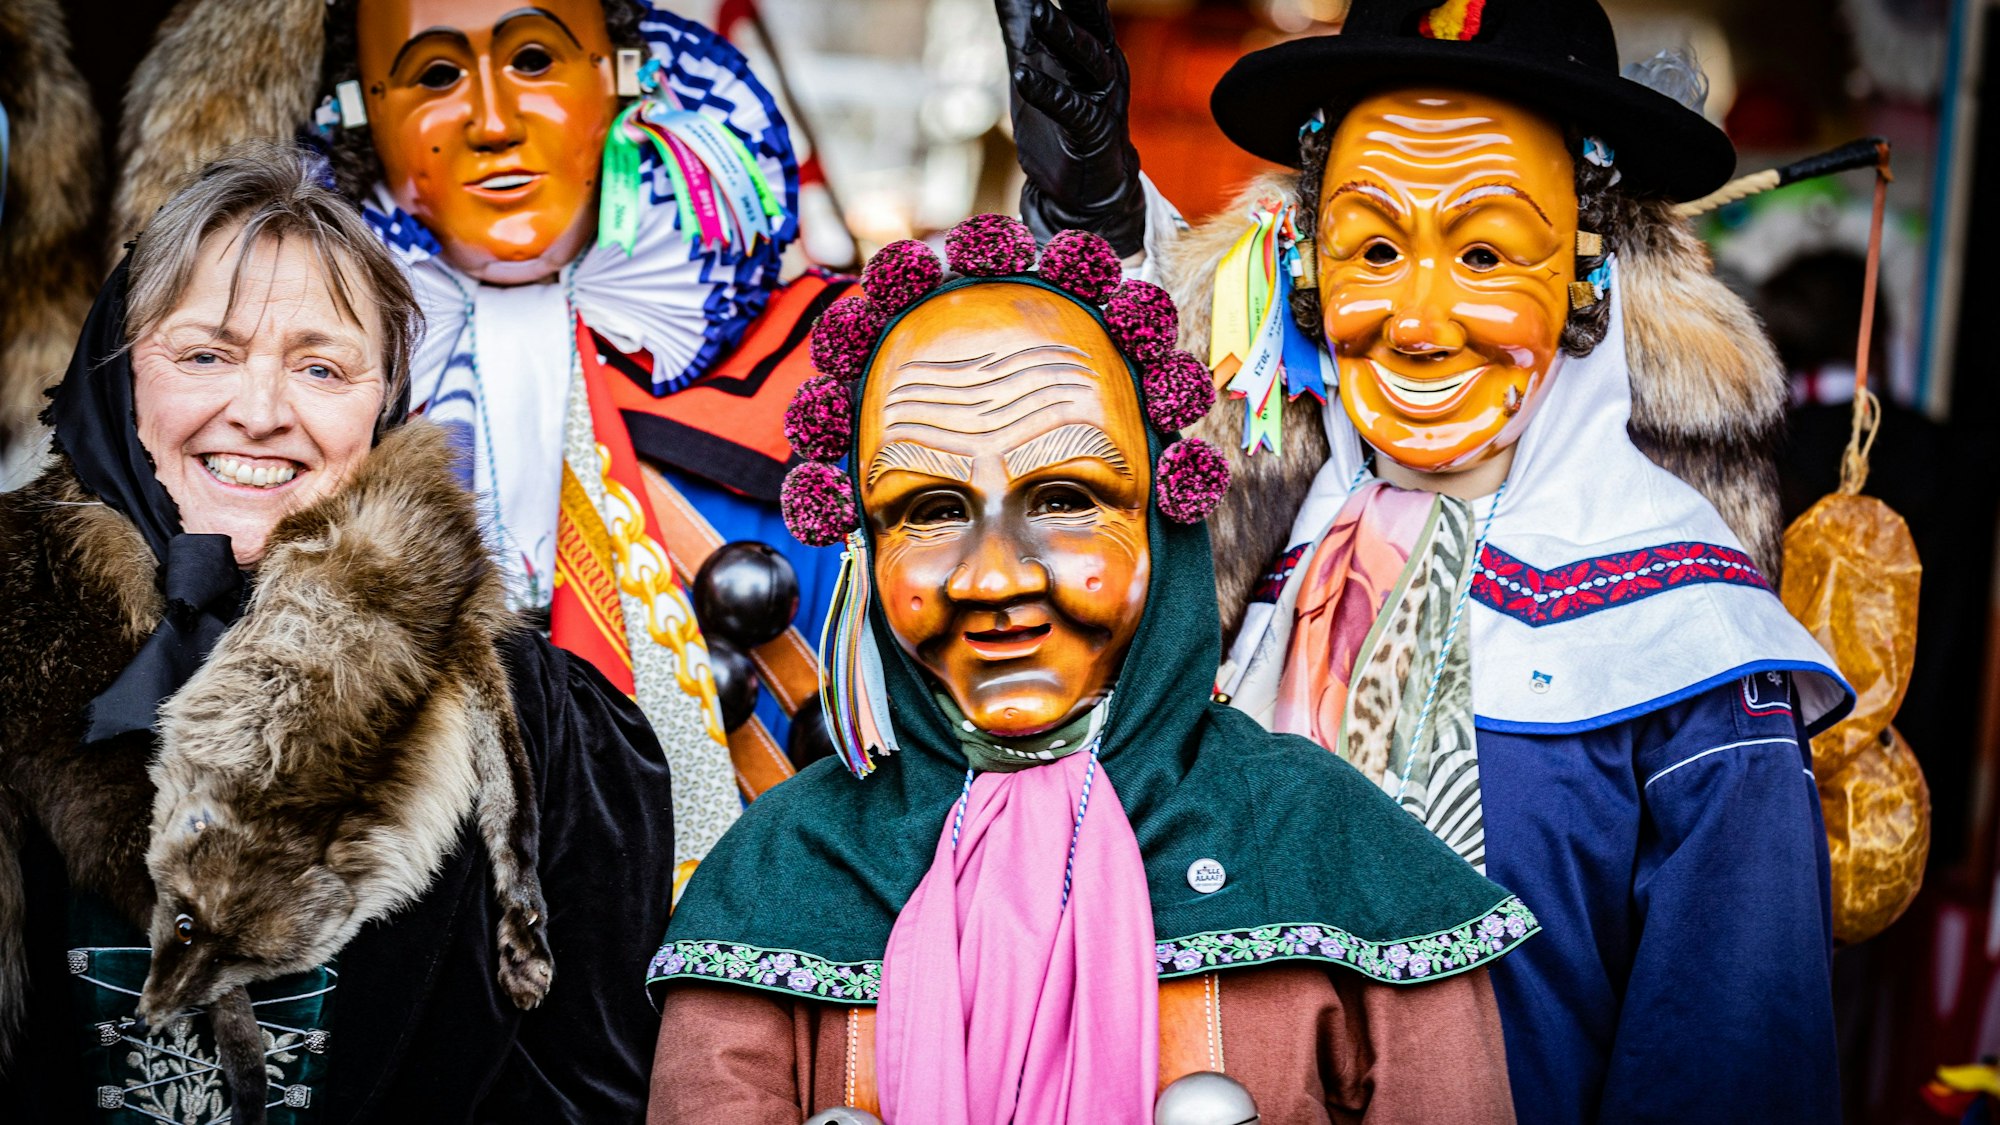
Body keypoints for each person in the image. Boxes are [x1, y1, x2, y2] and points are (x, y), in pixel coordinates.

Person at [998, 0, 1855, 1120]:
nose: (1414, 318)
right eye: (1373, 247)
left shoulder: (1692, 653)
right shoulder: (1260, 554)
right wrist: (1097, 222)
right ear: (1309, 265)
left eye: (1484, 251)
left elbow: (1733, 1071)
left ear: (1587, 268)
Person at [645, 217, 1529, 1124]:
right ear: (865, 545)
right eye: (931, 509)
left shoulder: (1322, 837)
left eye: (1065, 499)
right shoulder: (787, 865)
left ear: (1163, 519)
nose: (995, 577)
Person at [0, 143, 673, 1123]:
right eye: (206, 355)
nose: (260, 412)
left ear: (383, 407)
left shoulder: (542, 722)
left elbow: (591, 1096)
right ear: (118, 376)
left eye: (320, 367)